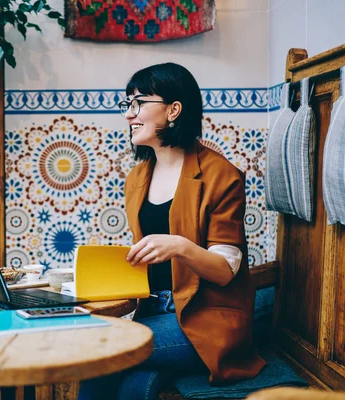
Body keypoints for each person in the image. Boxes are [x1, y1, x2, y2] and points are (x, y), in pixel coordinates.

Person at [78, 63, 266, 400]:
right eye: (126, 105)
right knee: (135, 384)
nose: (128, 115)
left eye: (137, 104)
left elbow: (225, 272)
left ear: (173, 109)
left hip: (205, 320)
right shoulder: (137, 177)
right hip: (153, 312)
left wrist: (180, 246)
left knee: (102, 351)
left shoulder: (221, 176)